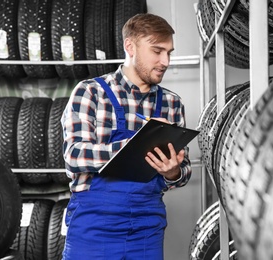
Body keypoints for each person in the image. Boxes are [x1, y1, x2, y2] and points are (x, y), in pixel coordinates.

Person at [61, 13, 192, 259]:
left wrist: (172, 171)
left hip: (147, 226)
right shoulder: (91, 93)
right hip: (94, 226)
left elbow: (183, 171)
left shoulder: (172, 103)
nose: (165, 61)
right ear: (129, 46)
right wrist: (137, 144)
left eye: (169, 52)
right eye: (157, 51)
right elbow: (74, 156)